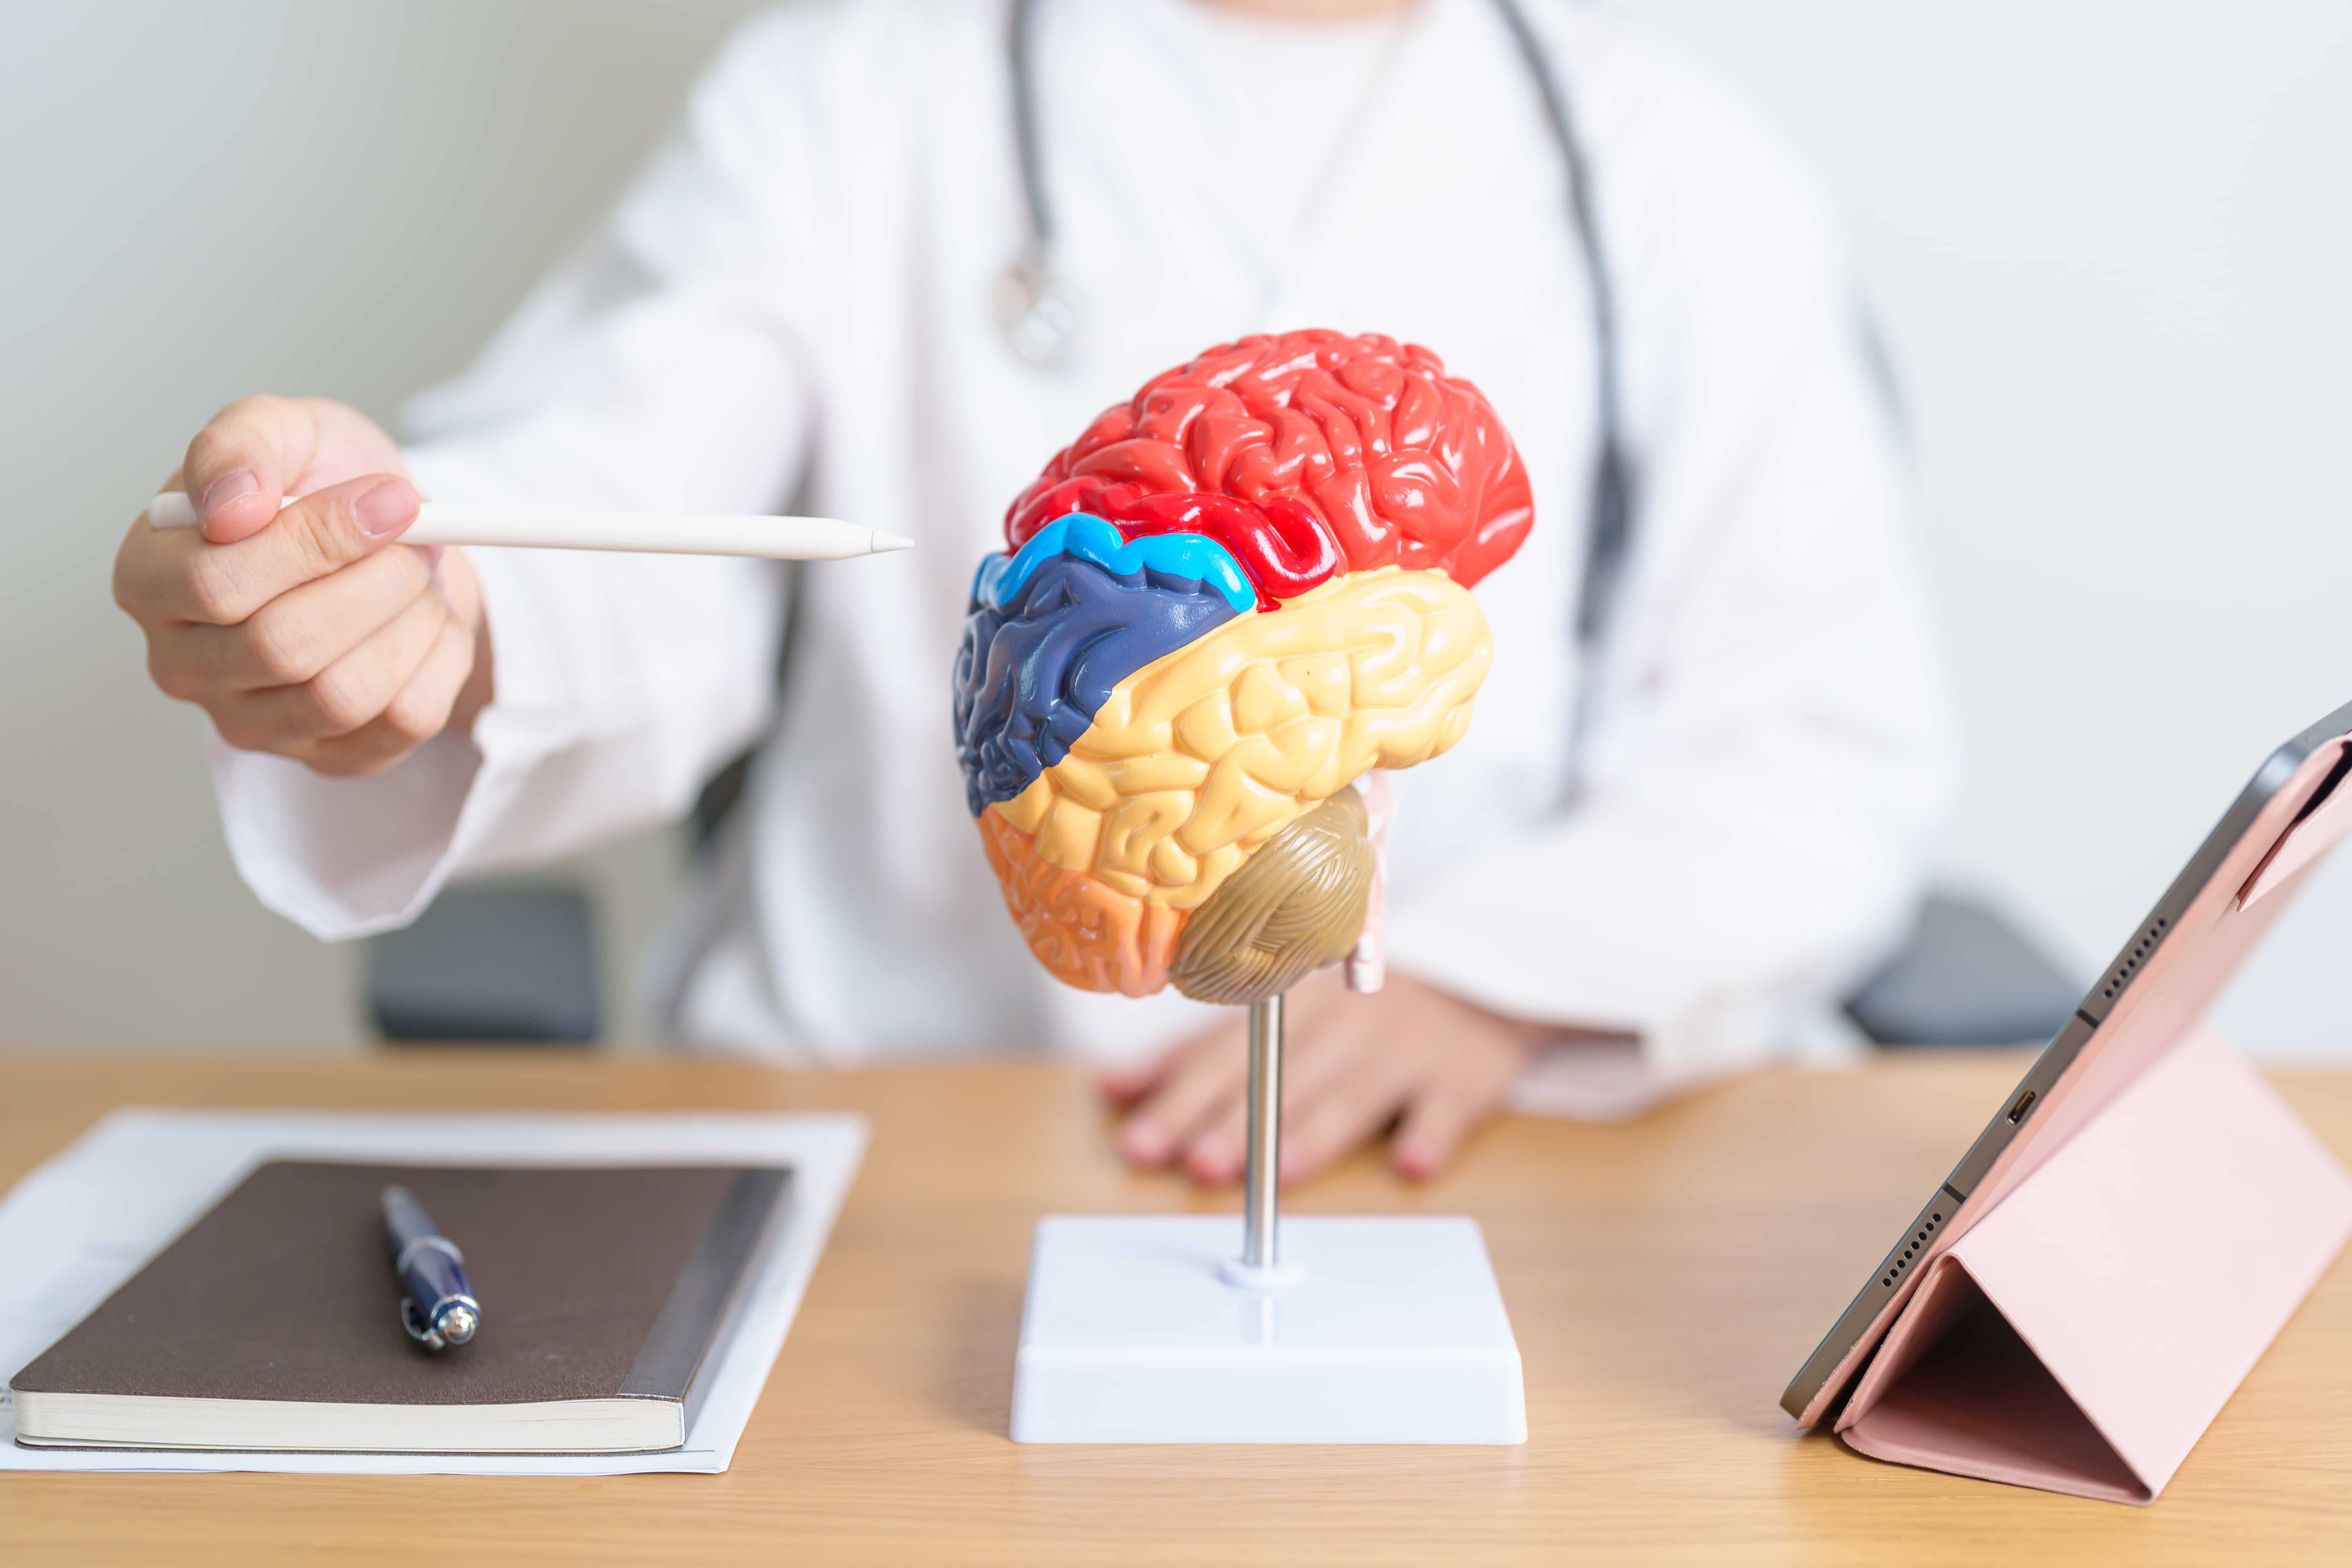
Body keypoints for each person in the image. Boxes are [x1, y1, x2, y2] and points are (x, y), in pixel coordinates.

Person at [110, 0, 1955, 1186]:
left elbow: (1820, 739)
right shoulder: (856, 91)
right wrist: (420, 608)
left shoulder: (1679, 177)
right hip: (891, 1151)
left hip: (1470, 1168)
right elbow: (615, 506)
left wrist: (1498, 986)